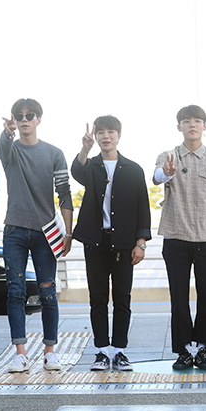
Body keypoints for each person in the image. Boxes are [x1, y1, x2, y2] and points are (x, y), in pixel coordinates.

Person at [152, 105, 206, 370]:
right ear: (179, 126)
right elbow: (156, 177)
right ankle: (184, 351)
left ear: (204, 126)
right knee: (178, 297)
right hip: (175, 236)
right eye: (186, 121)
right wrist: (167, 172)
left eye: (197, 121)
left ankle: (202, 349)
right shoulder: (168, 156)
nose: (192, 125)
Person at [0, 98, 73, 373]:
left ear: (39, 119)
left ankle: (50, 352)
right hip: (14, 230)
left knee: (48, 292)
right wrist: (7, 132)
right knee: (15, 292)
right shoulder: (10, 150)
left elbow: (64, 193)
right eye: (19, 116)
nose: (24, 119)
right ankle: (20, 353)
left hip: (46, 231)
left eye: (30, 115)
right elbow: (1, 146)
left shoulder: (54, 153)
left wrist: (68, 233)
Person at [71, 116, 151, 371]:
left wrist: (141, 242)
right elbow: (76, 172)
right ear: (96, 137)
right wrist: (85, 148)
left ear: (119, 135)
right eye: (101, 133)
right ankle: (102, 351)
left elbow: (143, 207)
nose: (106, 136)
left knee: (122, 298)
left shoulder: (134, 170)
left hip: (124, 243)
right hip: (95, 241)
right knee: (97, 298)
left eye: (111, 132)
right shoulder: (92, 166)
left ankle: (119, 351)